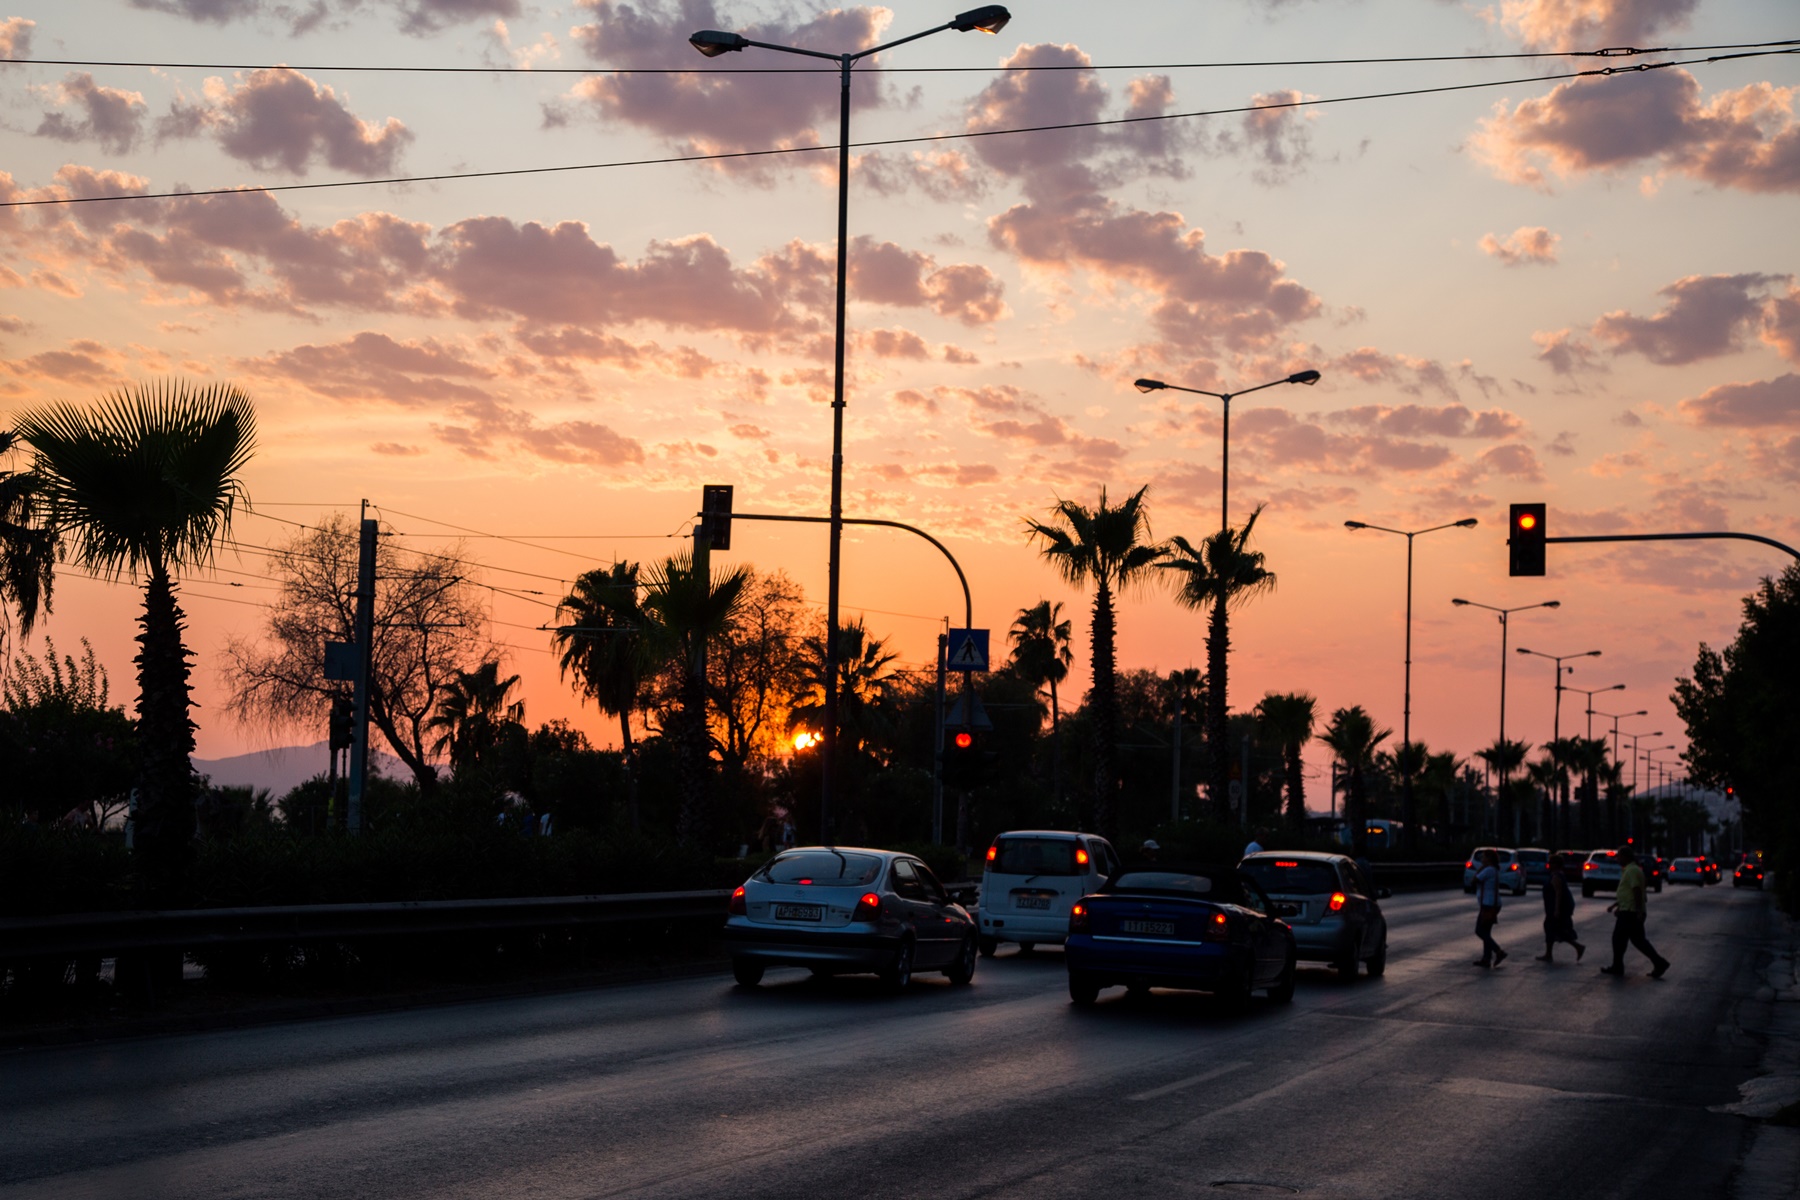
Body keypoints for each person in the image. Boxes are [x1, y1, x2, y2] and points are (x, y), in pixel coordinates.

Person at [1601, 845, 1670, 979]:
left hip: (1630, 913)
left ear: (1626, 857)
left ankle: (1618, 966)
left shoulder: (1632, 870)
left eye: (1619, 856)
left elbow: (1637, 890)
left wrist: (1638, 911)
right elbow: (1628, 893)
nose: (1617, 859)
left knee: (1619, 939)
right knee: (1638, 941)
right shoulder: (1631, 869)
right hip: (1628, 910)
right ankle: (1659, 963)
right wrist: (1617, 906)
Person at [1535, 853, 1584, 962]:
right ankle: (1576, 947)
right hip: (1553, 907)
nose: (1549, 864)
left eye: (1551, 862)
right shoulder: (1557, 875)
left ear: (1555, 864)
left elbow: (1558, 893)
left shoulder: (1556, 876)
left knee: (1551, 927)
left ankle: (1549, 954)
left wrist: (1557, 909)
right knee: (1556, 929)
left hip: (1555, 908)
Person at [1473, 848, 1508, 968]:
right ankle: (1486, 958)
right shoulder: (1494, 870)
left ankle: (1498, 951)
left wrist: (1480, 868)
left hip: (1488, 904)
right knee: (1486, 932)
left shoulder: (1488, 870)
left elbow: (1475, 880)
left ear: (1489, 859)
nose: (1482, 859)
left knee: (1480, 930)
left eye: (1483, 857)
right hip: (1493, 903)